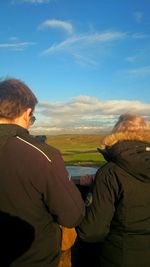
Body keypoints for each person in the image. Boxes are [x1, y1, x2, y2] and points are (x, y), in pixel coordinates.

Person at [0, 78, 85, 267]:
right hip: (33, 258)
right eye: (32, 118)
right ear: (27, 112)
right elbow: (72, 215)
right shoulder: (43, 155)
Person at [77, 113, 150, 267]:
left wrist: (93, 188)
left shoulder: (110, 172)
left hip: (121, 256)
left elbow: (91, 232)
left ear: (115, 134)